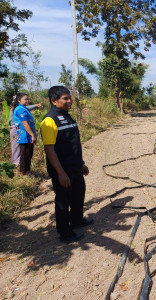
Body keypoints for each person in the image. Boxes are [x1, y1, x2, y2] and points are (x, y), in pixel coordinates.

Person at [40, 86, 93, 243]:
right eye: (65, 98)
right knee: (63, 202)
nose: (69, 101)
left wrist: (81, 164)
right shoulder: (49, 120)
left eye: (70, 98)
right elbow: (49, 149)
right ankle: (65, 233)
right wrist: (61, 173)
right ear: (54, 101)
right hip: (62, 170)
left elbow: (72, 144)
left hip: (75, 167)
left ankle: (77, 220)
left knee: (78, 195)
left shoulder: (67, 116)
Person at [9, 95, 42, 168]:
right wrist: (32, 135)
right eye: (25, 99)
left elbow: (28, 108)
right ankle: (17, 164)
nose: (27, 101)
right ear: (18, 100)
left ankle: (20, 165)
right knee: (18, 148)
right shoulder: (18, 109)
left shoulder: (22, 108)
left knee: (22, 149)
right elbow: (24, 123)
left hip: (21, 130)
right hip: (17, 129)